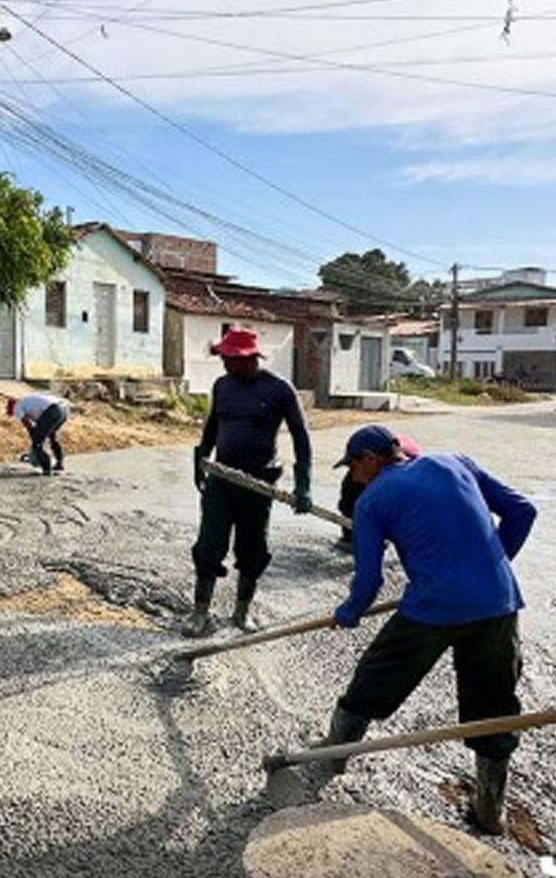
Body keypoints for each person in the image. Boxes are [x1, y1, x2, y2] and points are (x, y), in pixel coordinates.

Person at [311, 425, 536, 834]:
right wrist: (493, 565)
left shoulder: (371, 501)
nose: (352, 476)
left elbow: (368, 581)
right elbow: (523, 511)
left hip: (433, 608)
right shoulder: (456, 460)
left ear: (370, 459)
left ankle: (331, 758)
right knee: (494, 707)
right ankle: (490, 811)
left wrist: (349, 613)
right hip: (498, 604)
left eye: (353, 466)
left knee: (374, 680)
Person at [185, 328, 312, 637]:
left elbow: (301, 437)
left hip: (258, 483)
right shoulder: (222, 385)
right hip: (221, 478)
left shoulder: (279, 389)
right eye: (224, 358)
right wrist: (200, 459)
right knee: (208, 546)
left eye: (232, 359)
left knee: (253, 549)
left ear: (250, 358)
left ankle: (242, 611)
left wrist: (303, 484)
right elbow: (212, 425)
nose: (226, 364)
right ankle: (199, 612)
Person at [335, 433, 423, 553]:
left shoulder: (411, 470)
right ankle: (351, 536)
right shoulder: (355, 480)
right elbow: (346, 507)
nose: (355, 476)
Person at [6, 393, 70, 476]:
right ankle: (59, 463)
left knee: (37, 444)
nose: (15, 415)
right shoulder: (27, 402)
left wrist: (34, 444)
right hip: (64, 409)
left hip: (53, 411)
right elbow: (39, 425)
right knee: (52, 437)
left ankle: (47, 470)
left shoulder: (16, 407)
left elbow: (28, 425)